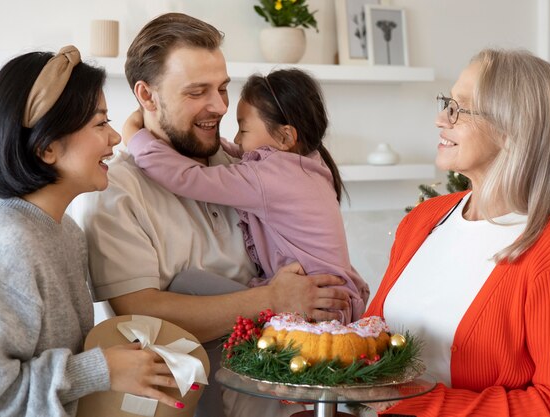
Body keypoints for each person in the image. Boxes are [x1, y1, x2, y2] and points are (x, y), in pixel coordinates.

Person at [73, 13, 351, 417]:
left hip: (294, 383)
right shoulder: (116, 190)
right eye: (197, 92)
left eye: (222, 88)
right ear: (147, 96)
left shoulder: (246, 163)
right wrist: (272, 299)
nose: (219, 107)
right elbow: (140, 311)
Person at [364, 48, 550, 416]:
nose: (441, 119)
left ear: (512, 129)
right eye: (446, 103)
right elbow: (370, 335)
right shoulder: (424, 219)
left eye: (460, 108)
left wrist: (419, 403)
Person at [0, 46, 183, 416]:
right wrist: (101, 368)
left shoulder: (65, 231)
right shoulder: (8, 245)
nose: (115, 138)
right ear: (48, 146)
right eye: (100, 123)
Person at [123, 68, 369, 324]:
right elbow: (239, 151)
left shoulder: (269, 177)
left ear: (285, 136)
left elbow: (186, 177)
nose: (238, 138)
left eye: (244, 129)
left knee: (188, 284)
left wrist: (134, 136)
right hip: (335, 303)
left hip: (316, 311)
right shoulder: (304, 164)